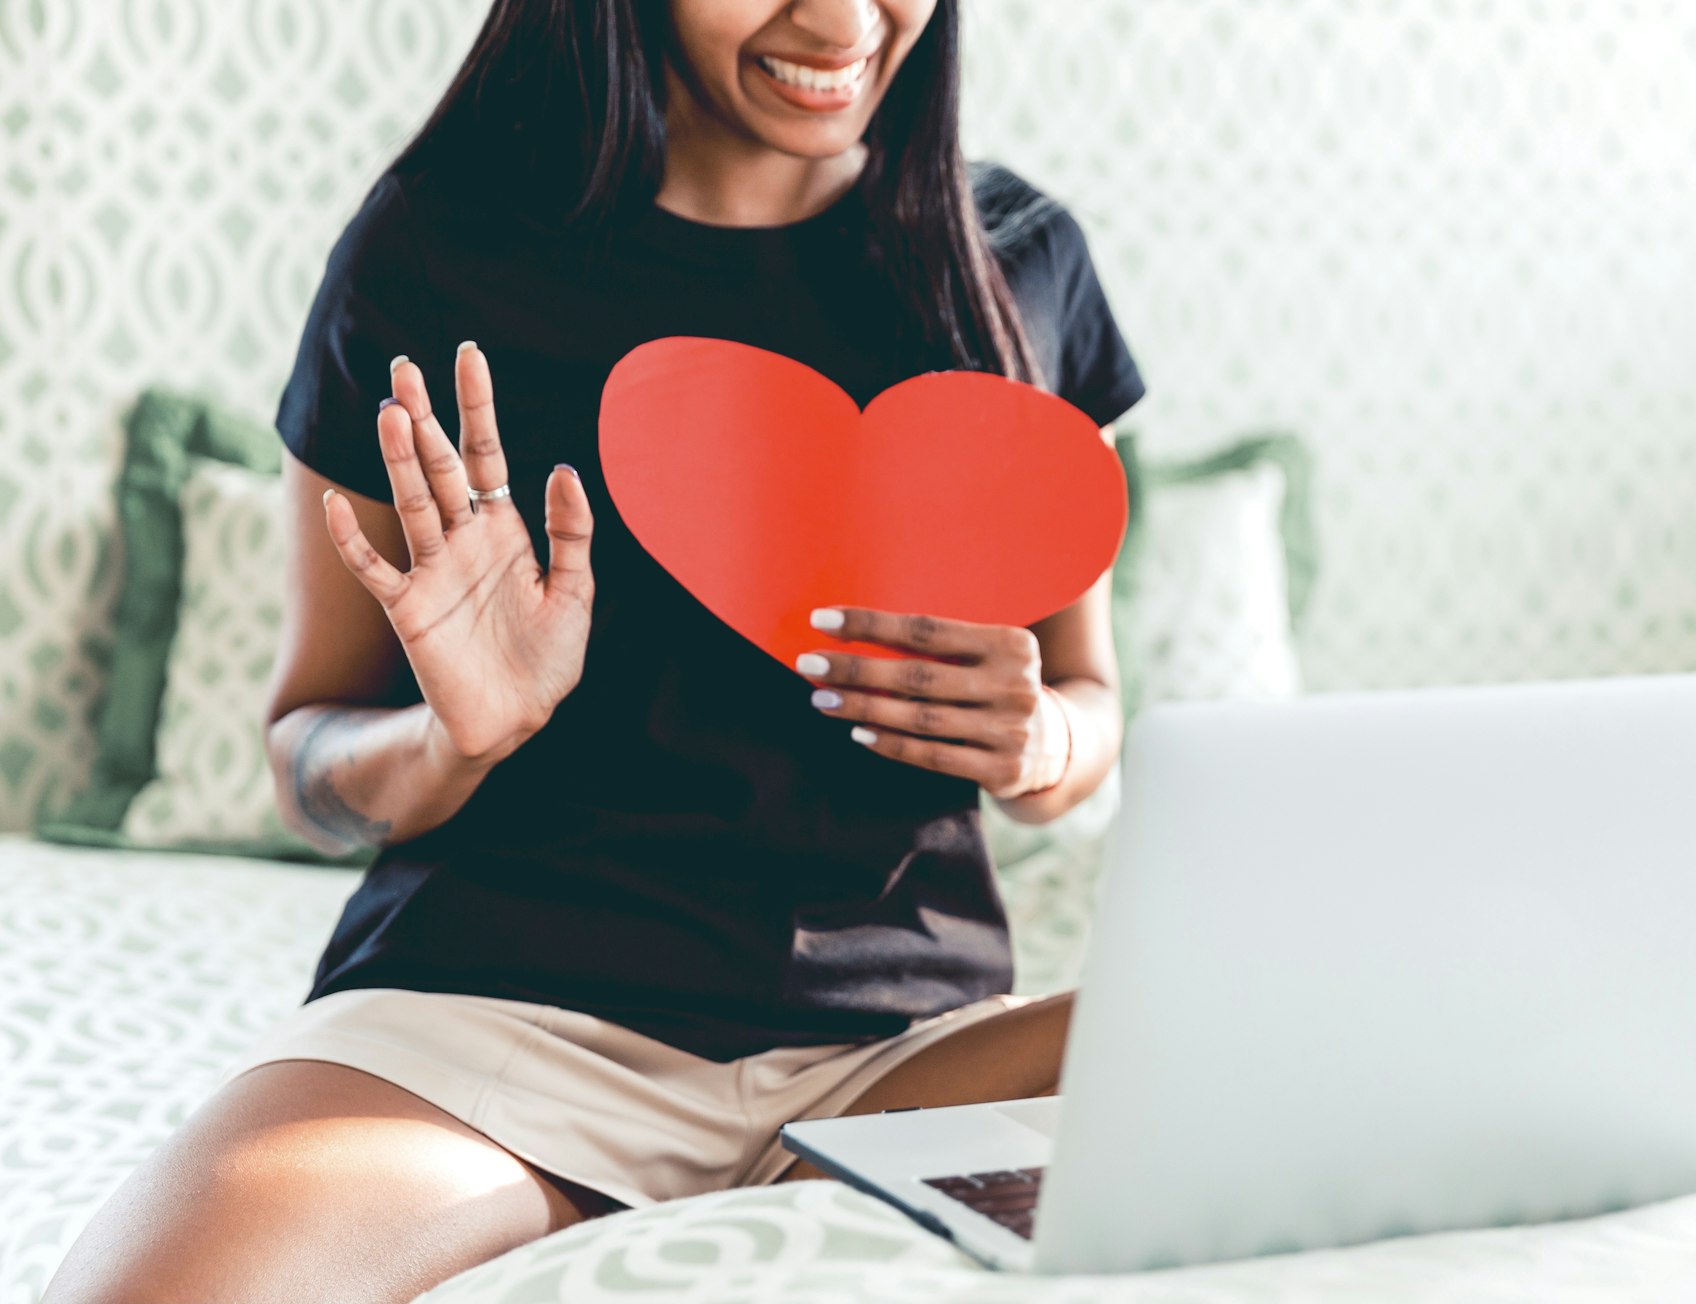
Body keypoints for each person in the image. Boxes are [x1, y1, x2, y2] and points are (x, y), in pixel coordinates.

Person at [42, 0, 1142, 1301]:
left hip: (902, 1055)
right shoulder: (436, 249)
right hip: (498, 1031)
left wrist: (1045, 738)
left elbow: (1088, 715)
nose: (844, 19)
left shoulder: (1016, 260)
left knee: (1300, 1062)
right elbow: (305, 759)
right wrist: (453, 737)